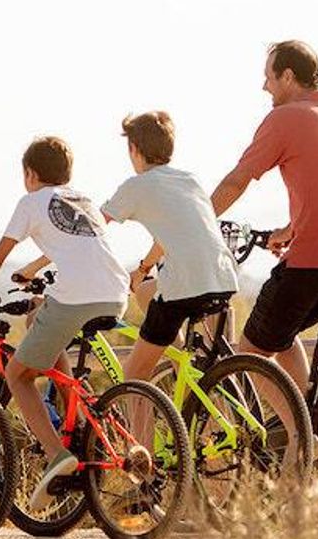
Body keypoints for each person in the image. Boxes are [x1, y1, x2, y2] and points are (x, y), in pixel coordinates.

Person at [0, 137, 129, 512]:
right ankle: (72, 410)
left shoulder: (31, 201)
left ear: (30, 174)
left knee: (17, 375)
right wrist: (34, 276)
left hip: (76, 296)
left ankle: (58, 455)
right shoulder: (83, 200)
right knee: (38, 314)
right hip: (115, 293)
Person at [210, 40, 318, 392]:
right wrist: (291, 228)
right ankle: (312, 427)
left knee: (251, 355)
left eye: (268, 77)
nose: (264, 86)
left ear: (287, 76)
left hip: (313, 265)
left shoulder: (284, 118)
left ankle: (302, 437)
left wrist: (200, 221)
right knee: (280, 335)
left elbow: (237, 180)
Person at [101, 111, 239, 383]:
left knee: (132, 378)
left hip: (184, 287)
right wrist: (142, 269)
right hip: (223, 279)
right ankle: (181, 364)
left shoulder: (136, 186)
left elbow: (94, 226)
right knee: (144, 290)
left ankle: (140, 427)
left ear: (134, 149)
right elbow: (171, 238)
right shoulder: (190, 180)